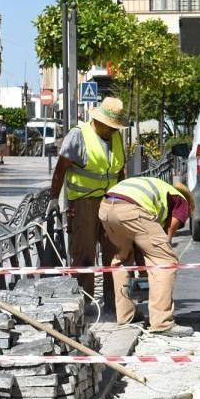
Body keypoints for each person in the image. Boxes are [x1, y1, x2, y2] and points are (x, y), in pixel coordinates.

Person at [49, 97, 127, 299]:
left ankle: (114, 300)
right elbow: (60, 169)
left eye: (115, 127)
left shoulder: (117, 137)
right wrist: (53, 199)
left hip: (111, 202)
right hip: (84, 203)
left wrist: (125, 198)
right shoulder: (78, 136)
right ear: (98, 121)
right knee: (84, 254)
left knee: (115, 253)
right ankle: (84, 301)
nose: (112, 131)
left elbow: (119, 172)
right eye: (110, 127)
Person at [98, 176, 194, 337]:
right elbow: (167, 236)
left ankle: (126, 316)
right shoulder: (182, 202)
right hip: (132, 209)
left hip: (106, 207)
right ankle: (162, 322)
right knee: (165, 261)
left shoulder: (158, 188)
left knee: (122, 259)